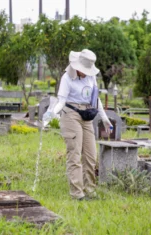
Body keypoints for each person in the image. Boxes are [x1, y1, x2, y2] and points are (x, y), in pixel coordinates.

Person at [43, 49, 112, 200]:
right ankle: (77, 193)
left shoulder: (91, 77)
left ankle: (90, 190)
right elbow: (61, 101)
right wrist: (49, 115)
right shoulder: (67, 77)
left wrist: (104, 118)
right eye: (84, 70)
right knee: (74, 154)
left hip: (87, 115)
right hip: (70, 115)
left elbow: (96, 98)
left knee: (90, 155)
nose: (86, 73)